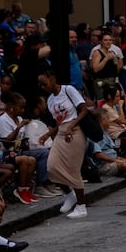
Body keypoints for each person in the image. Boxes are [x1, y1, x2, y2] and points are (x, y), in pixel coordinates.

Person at [38, 67, 91, 218]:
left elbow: (83, 110)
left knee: (73, 169)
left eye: (44, 83)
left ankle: (81, 206)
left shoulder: (68, 90)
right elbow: (59, 122)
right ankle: (69, 194)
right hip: (61, 132)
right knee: (52, 166)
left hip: (75, 131)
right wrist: (49, 133)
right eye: (40, 85)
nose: (43, 87)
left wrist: (72, 126)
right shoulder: (50, 100)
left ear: (53, 79)